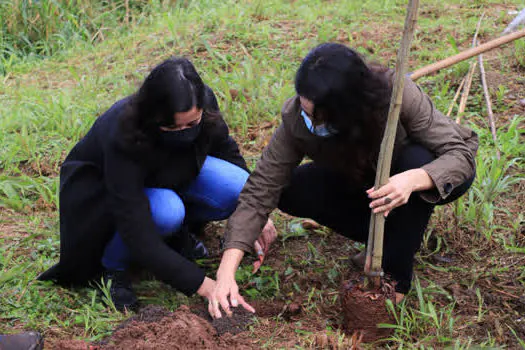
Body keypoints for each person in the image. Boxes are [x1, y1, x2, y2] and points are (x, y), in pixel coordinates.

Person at [209, 43, 478, 318]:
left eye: (317, 115)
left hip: (412, 180)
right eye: (305, 109)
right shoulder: (297, 118)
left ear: (349, 109)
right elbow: (261, 187)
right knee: (291, 189)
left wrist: (413, 180)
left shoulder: (396, 96)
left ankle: (395, 281)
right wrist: (226, 273)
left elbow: (460, 155)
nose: (308, 119)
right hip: (358, 180)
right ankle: (385, 241)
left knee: (416, 159)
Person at [38, 57, 275, 312]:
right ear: (154, 115)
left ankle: (175, 235)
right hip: (105, 197)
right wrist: (205, 285)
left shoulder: (203, 104)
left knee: (237, 187)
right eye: (173, 126)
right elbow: (134, 225)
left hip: (166, 176)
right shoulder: (123, 131)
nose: (184, 132)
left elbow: (226, 149)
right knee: (166, 211)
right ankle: (112, 267)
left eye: (192, 124)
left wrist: (253, 212)